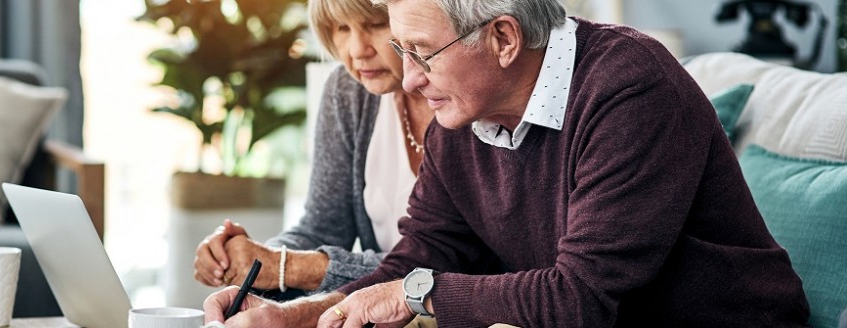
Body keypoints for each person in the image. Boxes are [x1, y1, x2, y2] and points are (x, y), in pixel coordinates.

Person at [202, 0, 811, 327]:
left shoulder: (630, 87)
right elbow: (418, 259)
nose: (409, 78)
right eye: (402, 51)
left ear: (502, 39)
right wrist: (299, 318)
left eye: (422, 54)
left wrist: (418, 296)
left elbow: (582, 299)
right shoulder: (464, 111)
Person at [192, 0, 434, 297]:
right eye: (342, 27)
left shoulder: (465, 98)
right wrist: (250, 260)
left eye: (376, 24)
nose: (358, 50)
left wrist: (286, 267)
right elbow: (323, 228)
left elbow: (451, 266)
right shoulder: (348, 91)